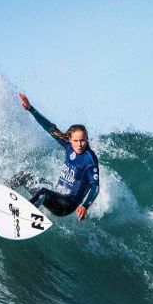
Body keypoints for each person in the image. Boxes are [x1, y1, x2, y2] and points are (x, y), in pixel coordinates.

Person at [16, 93, 99, 221]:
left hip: (67, 205)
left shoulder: (89, 159)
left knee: (43, 192)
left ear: (86, 140)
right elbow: (50, 128)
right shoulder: (68, 146)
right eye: (76, 140)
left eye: (83, 140)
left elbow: (95, 187)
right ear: (69, 139)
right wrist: (31, 109)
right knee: (23, 176)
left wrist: (85, 206)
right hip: (56, 193)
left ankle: (22, 215)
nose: (79, 144)